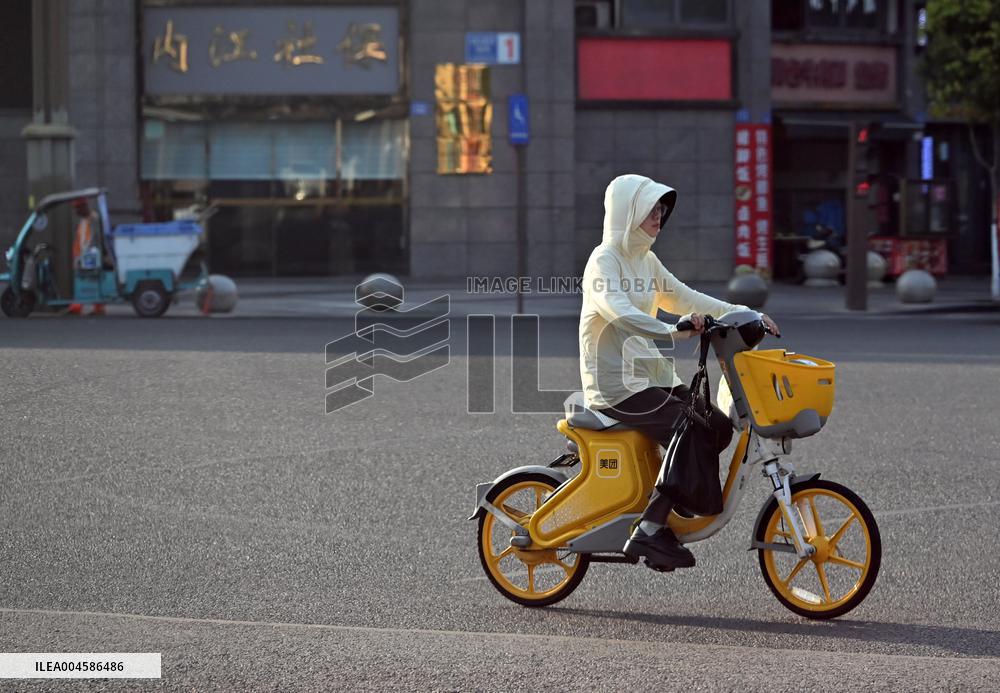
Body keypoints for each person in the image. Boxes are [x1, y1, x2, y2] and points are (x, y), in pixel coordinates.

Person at [579, 174, 780, 571]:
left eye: (662, 209)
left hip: (650, 377)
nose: (659, 215)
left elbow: (685, 296)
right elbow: (620, 313)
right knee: (690, 426)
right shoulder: (603, 260)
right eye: (651, 208)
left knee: (718, 426)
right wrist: (674, 329)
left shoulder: (646, 260)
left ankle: (670, 506)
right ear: (627, 211)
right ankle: (651, 528)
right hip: (617, 385)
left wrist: (745, 314)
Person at [67, 199, 105, 316]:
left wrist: (86, 254)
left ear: (84, 207)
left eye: (77, 208)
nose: (76, 211)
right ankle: (78, 306)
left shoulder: (94, 218)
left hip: (90, 256)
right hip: (82, 256)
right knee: (82, 280)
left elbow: (94, 239)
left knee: (91, 280)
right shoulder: (83, 220)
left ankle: (97, 308)